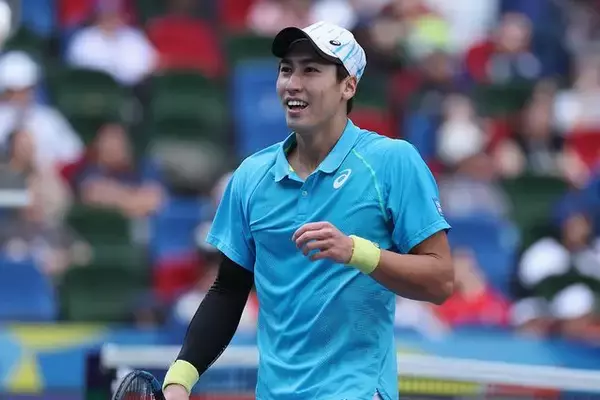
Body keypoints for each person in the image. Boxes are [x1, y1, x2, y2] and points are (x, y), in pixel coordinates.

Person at [162, 21, 454, 400]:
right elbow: (228, 290)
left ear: (348, 86)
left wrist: (356, 252)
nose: (293, 83)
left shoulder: (393, 161)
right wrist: (179, 379)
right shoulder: (250, 176)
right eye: (286, 69)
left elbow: (440, 281)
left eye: (311, 70)